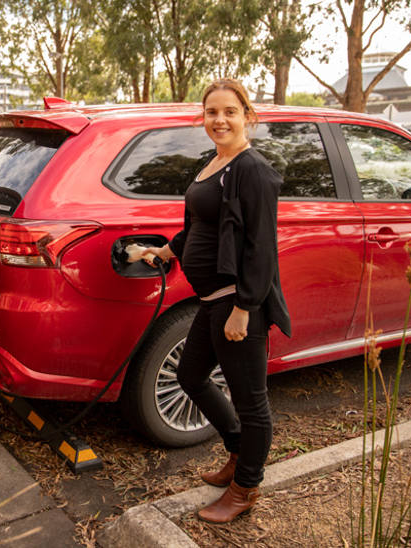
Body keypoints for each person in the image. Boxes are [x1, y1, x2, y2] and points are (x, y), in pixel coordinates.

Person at [143, 79, 291, 523]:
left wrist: (245, 308)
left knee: (252, 401)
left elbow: (262, 247)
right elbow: (202, 226)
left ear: (248, 114)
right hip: (211, 300)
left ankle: (246, 486)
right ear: (202, 117)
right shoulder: (216, 163)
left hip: (237, 303)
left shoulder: (253, 170)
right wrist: (168, 251)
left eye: (230, 111)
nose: (219, 120)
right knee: (190, 376)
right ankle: (237, 450)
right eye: (212, 112)